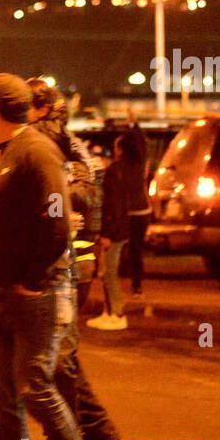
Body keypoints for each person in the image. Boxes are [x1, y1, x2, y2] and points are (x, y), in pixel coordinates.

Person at [0, 74, 100, 440]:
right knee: (1, 395)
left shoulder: (35, 151)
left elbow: (57, 220)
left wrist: (34, 278)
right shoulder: (0, 155)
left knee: (35, 385)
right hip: (1, 292)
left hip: (36, 292)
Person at [25, 80, 119, 440]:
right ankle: (94, 426)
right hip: (65, 261)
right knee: (60, 356)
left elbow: (79, 195)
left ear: (43, 108)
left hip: (69, 263)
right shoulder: (49, 143)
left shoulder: (62, 147)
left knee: (55, 358)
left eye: (27, 105)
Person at [87, 136, 133, 331]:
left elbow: (111, 205)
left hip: (114, 232)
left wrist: (107, 232)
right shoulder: (127, 170)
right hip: (121, 228)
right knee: (107, 273)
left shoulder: (114, 171)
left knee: (109, 274)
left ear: (120, 149)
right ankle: (108, 312)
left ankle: (117, 313)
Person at [123, 125, 151, 301]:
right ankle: (137, 286)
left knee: (124, 248)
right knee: (137, 250)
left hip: (129, 212)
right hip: (143, 210)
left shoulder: (121, 166)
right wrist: (134, 125)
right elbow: (143, 143)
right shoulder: (141, 163)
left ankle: (126, 282)